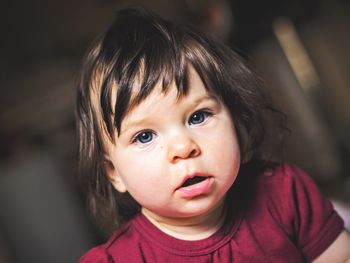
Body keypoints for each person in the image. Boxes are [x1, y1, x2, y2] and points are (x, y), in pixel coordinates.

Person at [76, 8, 350, 262]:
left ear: (237, 124)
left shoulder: (284, 193)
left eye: (198, 117)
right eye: (145, 136)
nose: (183, 147)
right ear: (114, 172)